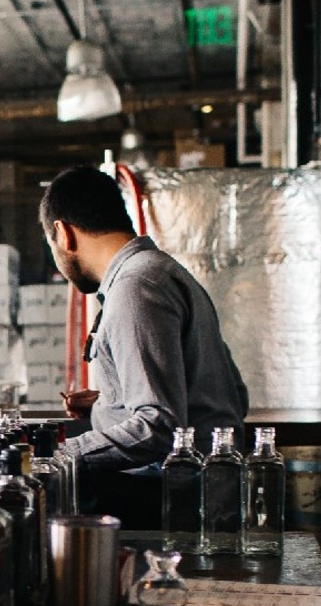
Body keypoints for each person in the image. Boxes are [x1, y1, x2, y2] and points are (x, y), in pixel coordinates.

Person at [41, 166, 248, 524]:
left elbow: (158, 428)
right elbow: (231, 394)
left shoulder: (135, 287)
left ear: (63, 233)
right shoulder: (163, 271)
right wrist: (109, 403)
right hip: (203, 500)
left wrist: (54, 455)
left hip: (172, 508)